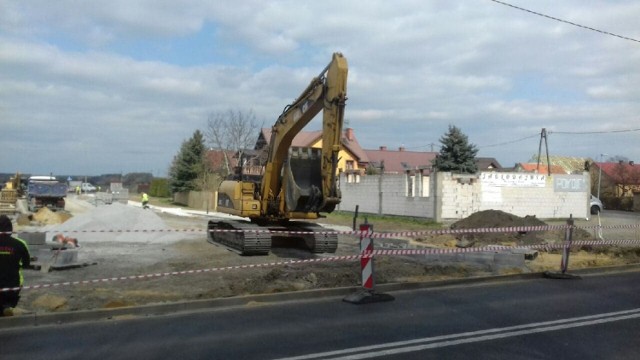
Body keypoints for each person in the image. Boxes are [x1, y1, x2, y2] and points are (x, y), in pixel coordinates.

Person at [0, 215, 31, 317]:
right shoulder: (20, 244)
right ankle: (7, 308)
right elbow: (26, 263)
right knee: (8, 304)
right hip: (13, 284)